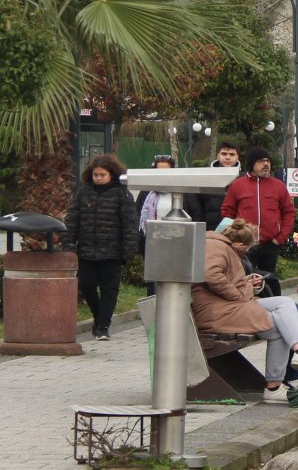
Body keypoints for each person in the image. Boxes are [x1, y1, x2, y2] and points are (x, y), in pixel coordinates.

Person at [195, 222, 298, 402]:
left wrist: (245, 286)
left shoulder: (220, 245)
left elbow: (218, 278)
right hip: (218, 312)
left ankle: (277, 383)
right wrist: (238, 293)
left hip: (226, 307)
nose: (245, 254)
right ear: (239, 244)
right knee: (283, 313)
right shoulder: (216, 246)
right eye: (245, 250)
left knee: (283, 312)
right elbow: (211, 275)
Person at [64, 154, 138, 341]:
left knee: (109, 290)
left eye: (102, 174)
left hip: (112, 252)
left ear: (111, 175)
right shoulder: (83, 193)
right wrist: (69, 242)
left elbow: (130, 223)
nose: (98, 178)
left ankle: (103, 326)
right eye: (95, 174)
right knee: (86, 285)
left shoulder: (122, 194)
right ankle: (98, 317)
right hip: (87, 251)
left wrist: (129, 250)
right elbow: (72, 219)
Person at [220, 147, 295, 281]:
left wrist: (280, 238)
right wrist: (235, 237)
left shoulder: (279, 186)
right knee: (245, 281)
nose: (266, 164)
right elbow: (227, 212)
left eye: (268, 161)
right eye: (261, 161)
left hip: (270, 244)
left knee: (268, 280)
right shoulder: (237, 185)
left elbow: (288, 212)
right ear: (251, 164)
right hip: (245, 244)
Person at [136, 154, 177, 294]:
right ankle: (153, 310)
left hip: (175, 242)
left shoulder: (181, 191)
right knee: (153, 280)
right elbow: (138, 215)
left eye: (166, 171)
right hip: (152, 242)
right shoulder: (147, 192)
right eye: (159, 170)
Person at [183, 142, 240, 231]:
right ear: (218, 156)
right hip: (210, 232)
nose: (228, 157)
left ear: (237, 157)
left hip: (238, 232)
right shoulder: (206, 178)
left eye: (232, 154)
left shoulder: (244, 179)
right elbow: (195, 208)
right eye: (224, 154)